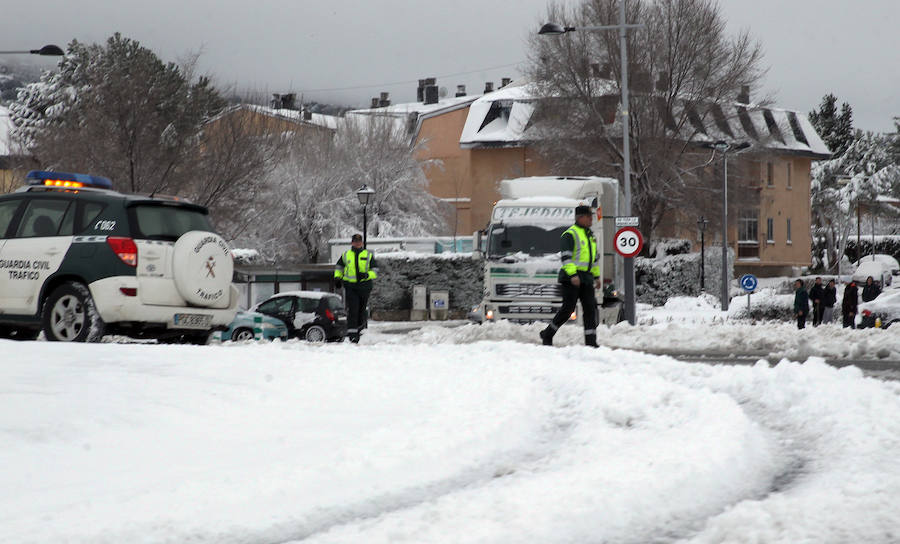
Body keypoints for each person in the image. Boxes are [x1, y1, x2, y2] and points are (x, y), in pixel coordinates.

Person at [539, 205, 601, 347]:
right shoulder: (570, 234)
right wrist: (573, 275)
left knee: (590, 310)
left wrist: (596, 277)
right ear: (580, 218)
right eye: (589, 217)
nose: (591, 220)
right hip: (571, 278)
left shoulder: (590, 236)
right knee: (568, 310)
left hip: (586, 278)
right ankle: (548, 334)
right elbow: (566, 258)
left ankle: (591, 342)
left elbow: (594, 260)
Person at [334, 234, 377, 343]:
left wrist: (367, 275)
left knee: (361, 311)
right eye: (355, 241)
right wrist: (337, 278)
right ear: (352, 243)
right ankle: (353, 336)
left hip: (364, 287)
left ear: (362, 243)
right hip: (351, 287)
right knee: (353, 310)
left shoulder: (368, 255)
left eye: (359, 241)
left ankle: (360, 331)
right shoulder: (346, 255)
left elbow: (375, 270)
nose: (357, 243)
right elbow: (339, 267)